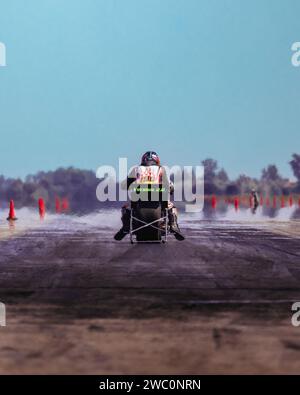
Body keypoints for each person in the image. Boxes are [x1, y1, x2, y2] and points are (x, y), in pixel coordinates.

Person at [114, 151, 184, 241]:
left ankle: (126, 227)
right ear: (157, 160)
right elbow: (170, 185)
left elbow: (124, 185)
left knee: (126, 208)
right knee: (171, 207)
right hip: (159, 193)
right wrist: (171, 190)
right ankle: (173, 225)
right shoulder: (161, 169)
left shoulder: (136, 169)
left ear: (143, 160)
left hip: (139, 194)